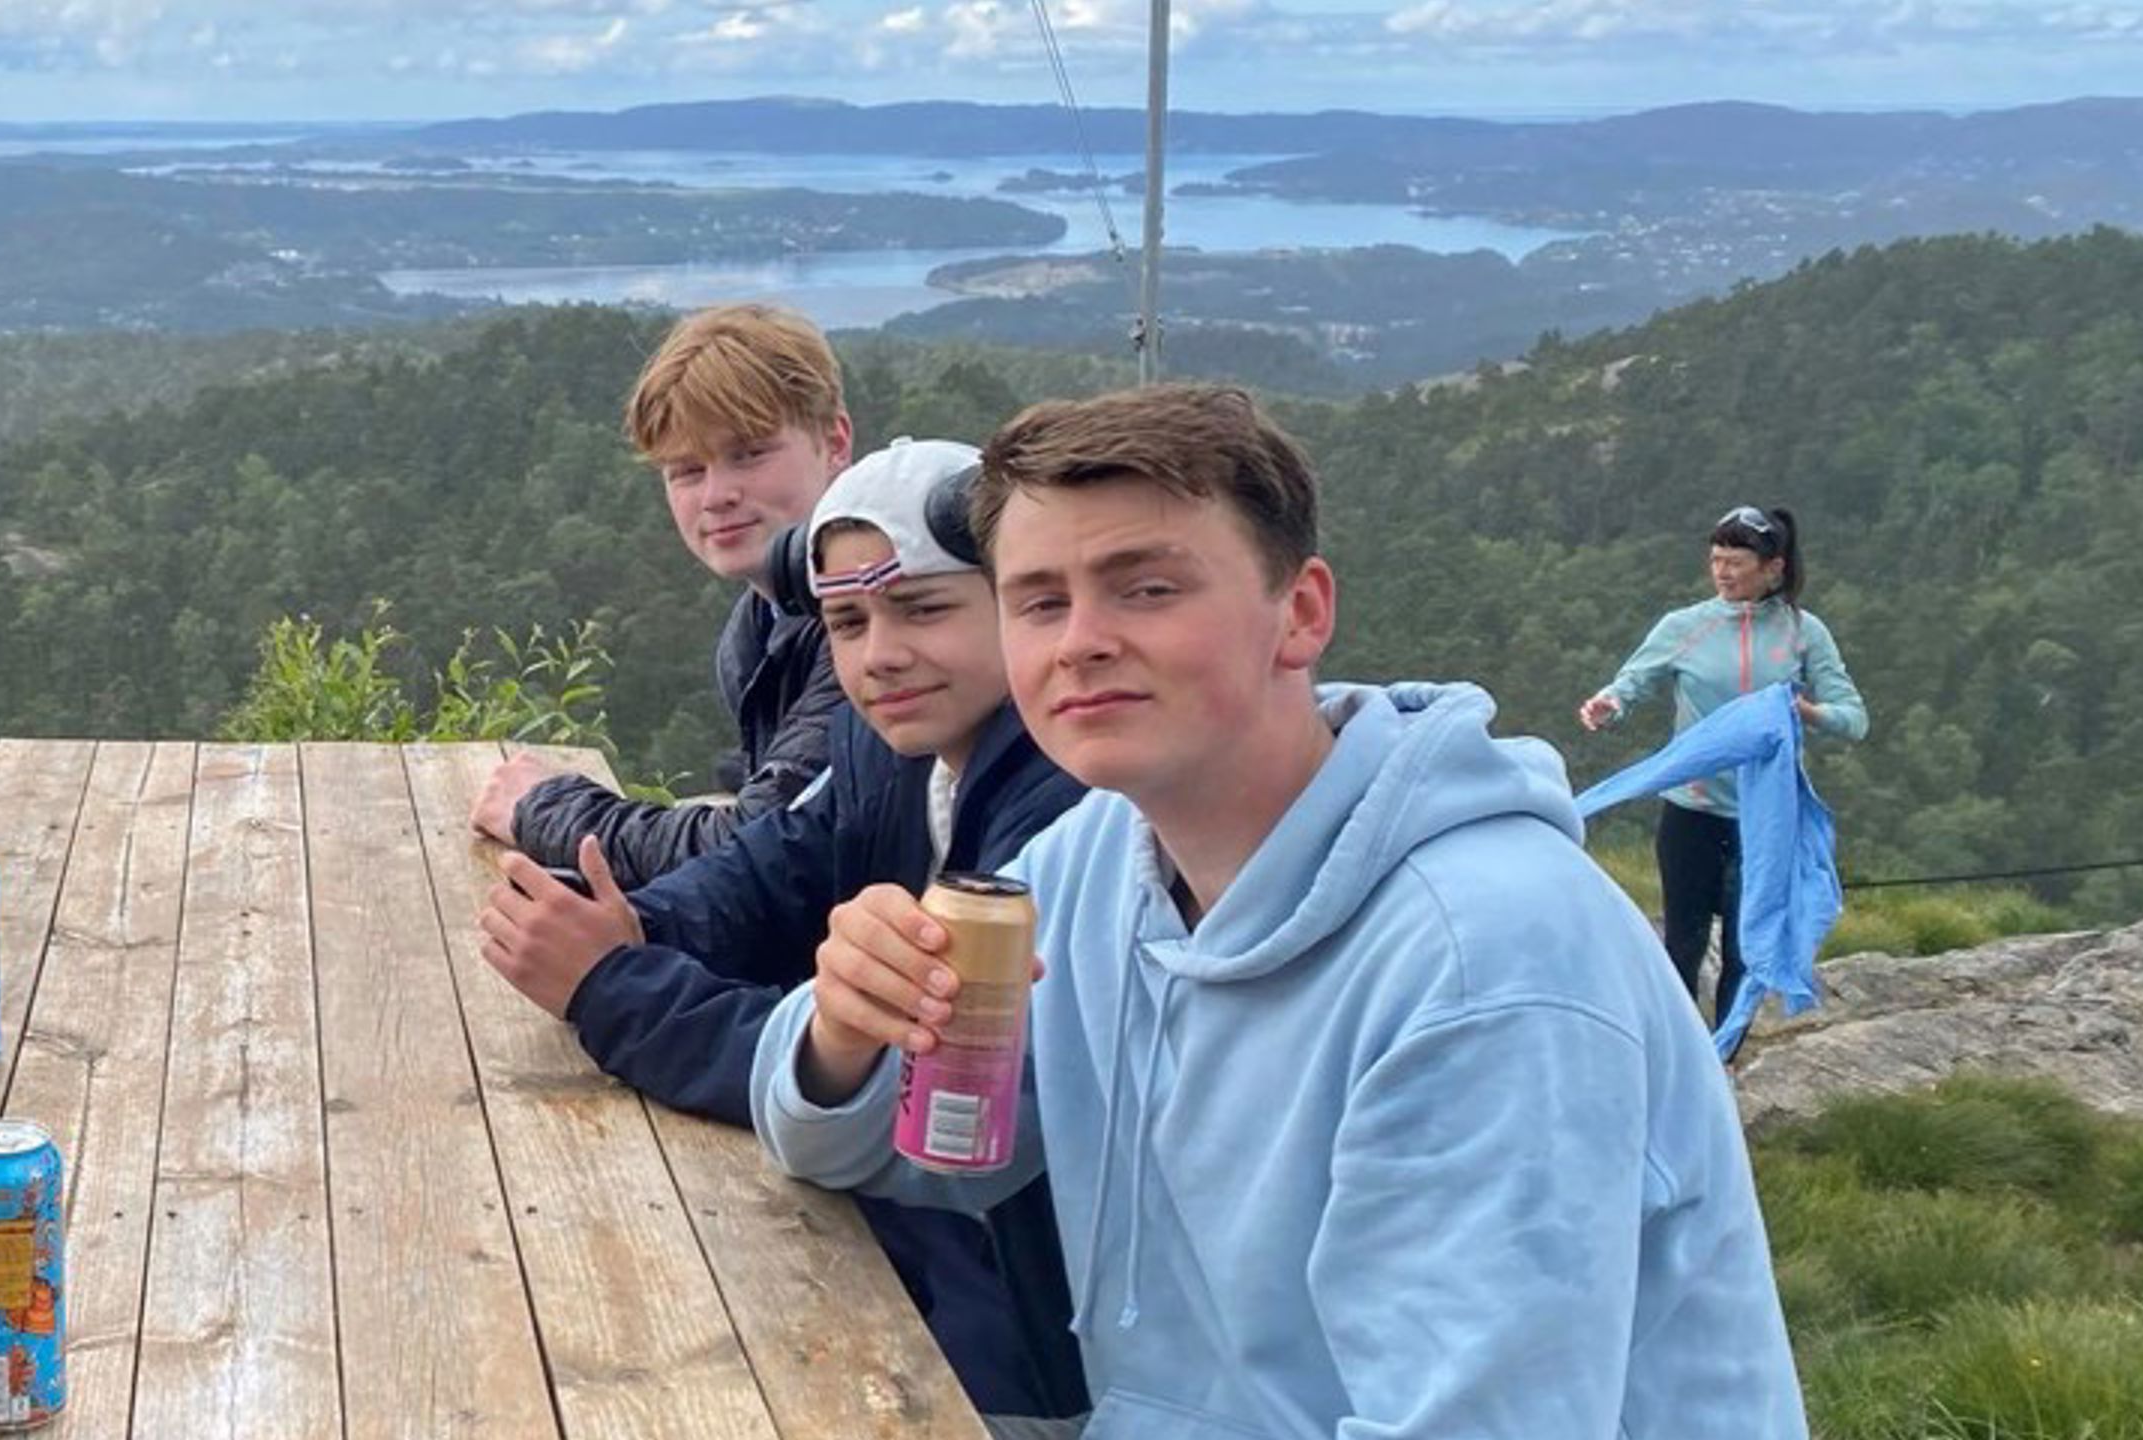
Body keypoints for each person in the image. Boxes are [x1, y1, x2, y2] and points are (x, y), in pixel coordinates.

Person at [754, 387, 1807, 1434]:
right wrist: (843, 1041)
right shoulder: (1090, 864)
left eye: (1147, 588)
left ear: (1300, 612)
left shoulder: (1484, 965)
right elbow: (940, 1151)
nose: (1079, 641)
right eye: (1037, 601)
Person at [479, 438, 1091, 1431]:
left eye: (926, 607)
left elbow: (914, 1098)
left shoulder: (1068, 815)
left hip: (1017, 1350)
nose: (880, 654)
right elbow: (766, 876)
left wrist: (612, 987)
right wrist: (627, 924)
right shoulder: (893, 744)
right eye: (846, 623)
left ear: (1022, 604)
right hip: (921, 1255)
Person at [471, 304, 854, 885]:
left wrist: (544, 808)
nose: (717, 494)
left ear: (835, 443)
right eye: (686, 470)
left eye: (748, 453)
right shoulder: (760, 624)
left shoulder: (876, 617)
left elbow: (756, 851)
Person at [1577, 504, 1867, 1019]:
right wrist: (1608, 706)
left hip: (1764, 817)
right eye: (1716, 560)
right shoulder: (1686, 625)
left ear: (1773, 567)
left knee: (1743, 947)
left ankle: (1725, 1060)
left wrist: (1807, 711)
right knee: (1682, 945)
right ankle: (1678, 1054)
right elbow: (1632, 683)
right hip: (1690, 809)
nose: (1723, 573)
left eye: (1736, 562)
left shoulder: (1804, 632)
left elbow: (1854, 718)